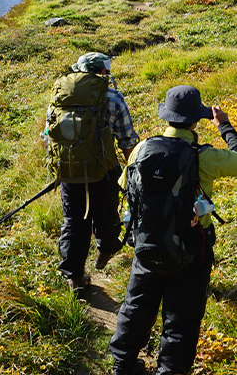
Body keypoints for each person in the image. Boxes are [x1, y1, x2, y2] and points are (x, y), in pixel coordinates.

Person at [109, 85, 237, 375]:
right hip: (192, 251)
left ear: (167, 117)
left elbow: (123, 187)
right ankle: (170, 369)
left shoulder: (142, 149)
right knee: (182, 316)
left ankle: (122, 366)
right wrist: (225, 127)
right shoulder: (204, 156)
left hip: (146, 245)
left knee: (136, 307)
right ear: (196, 120)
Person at [47, 52, 140, 292]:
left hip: (69, 171)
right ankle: (105, 251)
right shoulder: (113, 97)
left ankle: (74, 277)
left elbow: (50, 136)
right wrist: (134, 175)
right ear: (104, 72)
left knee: (73, 221)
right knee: (107, 214)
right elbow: (128, 141)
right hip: (104, 170)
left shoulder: (60, 94)